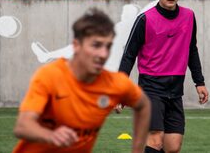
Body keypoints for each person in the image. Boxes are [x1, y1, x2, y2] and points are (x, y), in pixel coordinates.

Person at [13, 8, 151, 153]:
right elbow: (23, 126)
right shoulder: (50, 76)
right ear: (76, 45)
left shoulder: (114, 83)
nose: (103, 54)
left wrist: (137, 150)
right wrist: (51, 135)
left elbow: (144, 105)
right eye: (96, 45)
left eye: (108, 46)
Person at [119, 0, 209, 153]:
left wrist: (199, 82)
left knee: (173, 147)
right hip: (151, 87)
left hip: (175, 89)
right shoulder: (145, 19)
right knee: (155, 140)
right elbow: (129, 54)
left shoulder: (189, 16)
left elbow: (192, 49)